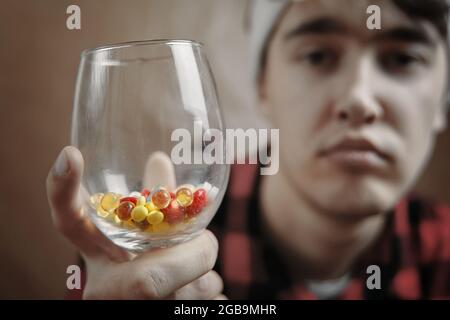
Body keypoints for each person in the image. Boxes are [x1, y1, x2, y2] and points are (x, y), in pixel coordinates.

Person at [46, 0, 450, 299]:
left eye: (403, 58)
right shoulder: (137, 253)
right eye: (317, 55)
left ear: (444, 99)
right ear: (263, 86)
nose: (360, 99)